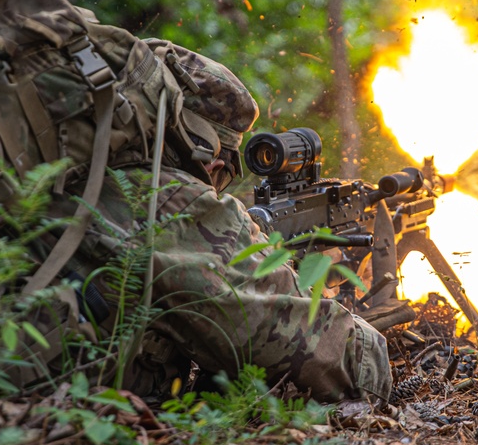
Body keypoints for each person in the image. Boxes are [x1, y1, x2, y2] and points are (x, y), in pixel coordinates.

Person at [70, 39, 393, 405]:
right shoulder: (171, 204)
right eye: (226, 171)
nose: (220, 181)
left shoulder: (80, 171)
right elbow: (345, 362)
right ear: (211, 158)